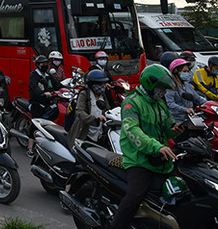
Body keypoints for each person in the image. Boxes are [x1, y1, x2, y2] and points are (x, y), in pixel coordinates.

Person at [110, 64, 183, 229]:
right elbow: (131, 129)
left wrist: (176, 130)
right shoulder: (132, 102)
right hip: (139, 159)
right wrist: (157, 147)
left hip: (161, 158)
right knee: (134, 197)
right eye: (161, 88)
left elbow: (167, 129)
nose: (163, 92)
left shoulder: (160, 104)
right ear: (150, 84)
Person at [67, 69, 113, 147]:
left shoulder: (103, 95)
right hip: (85, 133)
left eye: (104, 84)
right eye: (99, 84)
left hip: (100, 133)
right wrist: (94, 119)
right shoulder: (84, 94)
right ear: (92, 84)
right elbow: (79, 112)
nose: (102, 86)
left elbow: (108, 110)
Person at [27, 55, 61, 156]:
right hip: (37, 103)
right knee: (35, 122)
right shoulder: (34, 75)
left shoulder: (47, 75)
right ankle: (30, 147)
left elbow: (57, 85)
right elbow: (34, 88)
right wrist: (43, 93)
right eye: (43, 64)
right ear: (38, 65)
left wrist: (67, 88)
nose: (45, 66)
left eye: (46, 64)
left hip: (48, 102)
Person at [166, 58, 207, 125]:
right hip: (177, 121)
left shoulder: (188, 86)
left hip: (191, 118)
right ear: (176, 72)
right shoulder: (171, 87)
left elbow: (198, 98)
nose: (187, 73)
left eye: (188, 71)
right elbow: (170, 104)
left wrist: (212, 104)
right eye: (184, 71)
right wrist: (185, 109)